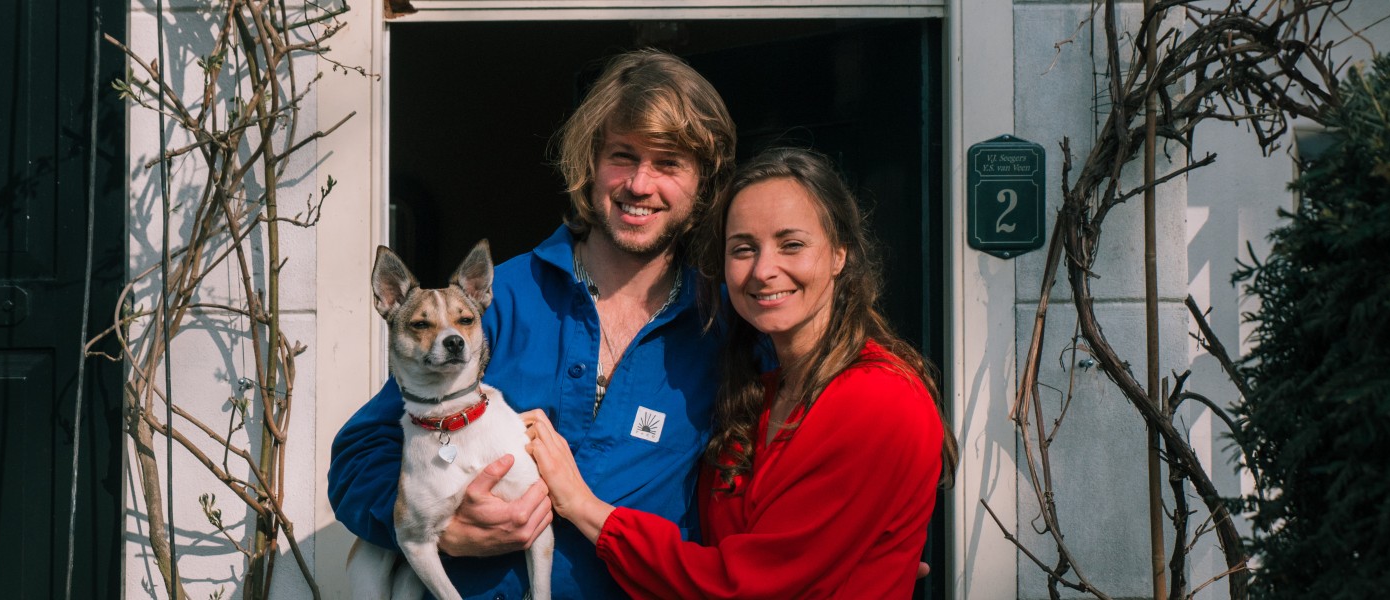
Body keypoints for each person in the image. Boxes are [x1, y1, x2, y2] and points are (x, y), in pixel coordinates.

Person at [328, 49, 737, 599]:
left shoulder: (722, 324)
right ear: (589, 165)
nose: (640, 184)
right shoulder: (502, 301)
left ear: (703, 181)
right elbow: (360, 456)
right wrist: (443, 527)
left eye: (668, 163)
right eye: (623, 156)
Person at [523, 148, 959, 599]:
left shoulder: (878, 399)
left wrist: (585, 507)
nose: (764, 270)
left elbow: (748, 586)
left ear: (839, 254)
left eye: (792, 244)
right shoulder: (762, 392)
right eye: (744, 249)